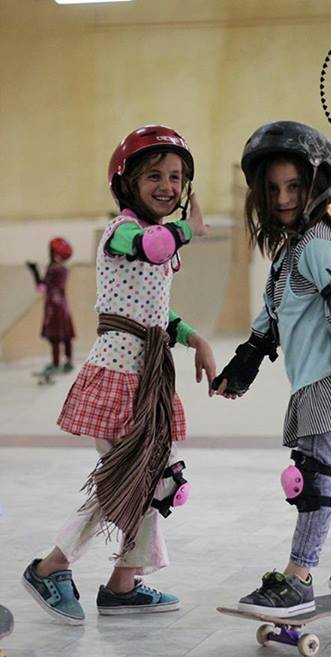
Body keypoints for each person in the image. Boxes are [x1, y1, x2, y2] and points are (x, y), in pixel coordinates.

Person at [22, 124, 215, 624]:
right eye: (154, 175)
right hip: (118, 374)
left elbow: (157, 314)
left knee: (159, 483)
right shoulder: (122, 233)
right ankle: (51, 567)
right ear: (126, 183)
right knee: (127, 483)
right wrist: (188, 230)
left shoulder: (159, 245)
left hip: (147, 375)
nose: (167, 186)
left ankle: (124, 584)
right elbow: (151, 245)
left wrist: (194, 337)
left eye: (176, 177)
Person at [213, 121, 331, 617]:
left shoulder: (317, 243)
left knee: (312, 479)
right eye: (273, 188)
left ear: (318, 185)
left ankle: (298, 578)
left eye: (294, 187)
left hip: (329, 384)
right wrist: (242, 367)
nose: (282, 198)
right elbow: (269, 320)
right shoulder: (288, 252)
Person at [26, 237, 75, 373]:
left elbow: (42, 287)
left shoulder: (54, 269)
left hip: (55, 307)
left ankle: (56, 364)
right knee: (66, 336)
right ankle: (68, 362)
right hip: (63, 306)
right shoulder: (62, 268)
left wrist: (35, 272)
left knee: (55, 337)